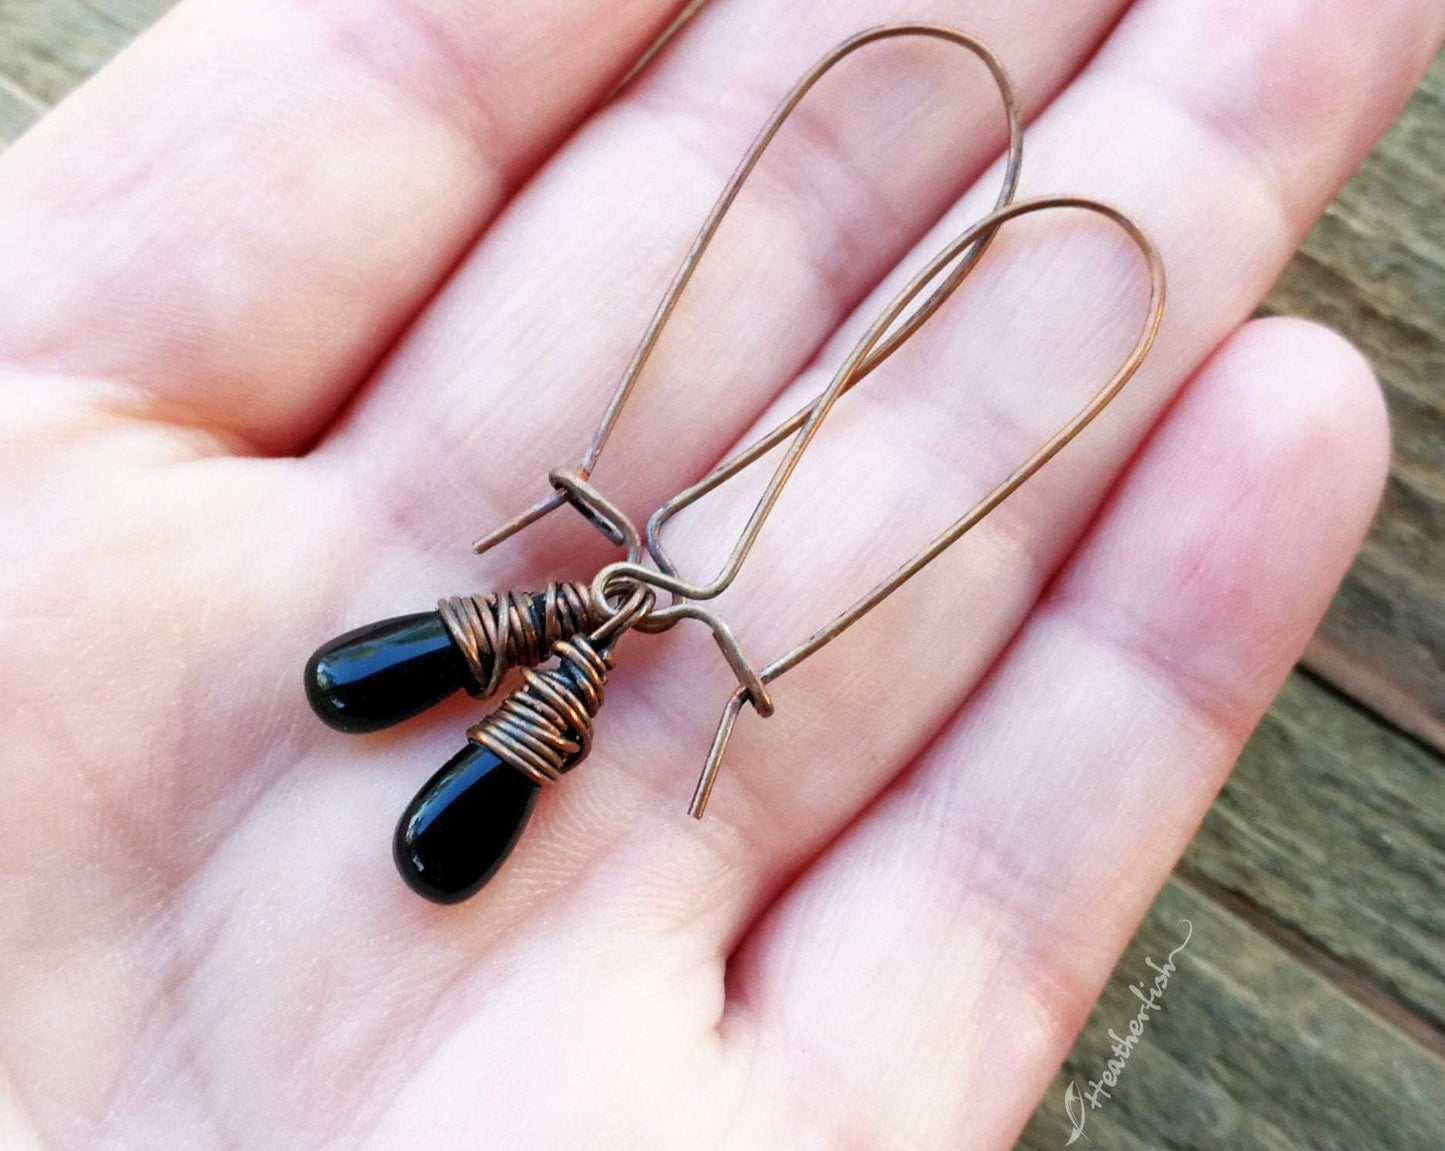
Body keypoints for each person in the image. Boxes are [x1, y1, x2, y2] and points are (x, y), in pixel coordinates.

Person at [0, 0, 1435, 1146]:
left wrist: (573, 622)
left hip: (567, 623)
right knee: (420, 684)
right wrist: (573, 617)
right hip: (562, 618)